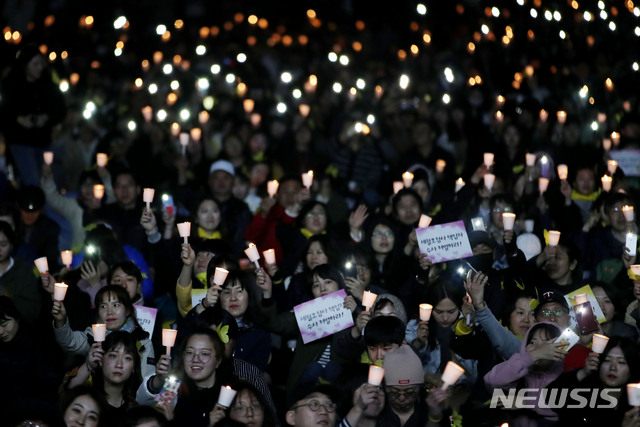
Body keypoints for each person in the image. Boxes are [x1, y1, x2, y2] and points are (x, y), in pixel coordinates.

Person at [52, 285, 155, 379]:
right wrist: (60, 321)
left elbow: (146, 383)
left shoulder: (143, 343)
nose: (109, 312)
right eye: (103, 306)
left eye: (115, 305)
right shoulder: (93, 336)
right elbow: (68, 341)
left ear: (128, 310)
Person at [0, 44, 66, 186]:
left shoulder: (47, 83)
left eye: (41, 63)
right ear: (25, 65)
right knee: (32, 181)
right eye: (35, 64)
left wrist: (46, 117)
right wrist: (19, 119)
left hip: (44, 141)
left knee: (48, 181)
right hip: (20, 141)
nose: (40, 67)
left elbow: (61, 108)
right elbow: (4, 111)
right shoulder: (11, 84)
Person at [484, 322, 566, 425]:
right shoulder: (518, 369)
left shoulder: (566, 375)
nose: (539, 347)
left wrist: (525, 402)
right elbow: (491, 381)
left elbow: (564, 406)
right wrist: (532, 356)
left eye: (546, 343)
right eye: (532, 342)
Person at [550, 336, 640, 425]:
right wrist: (584, 372)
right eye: (607, 360)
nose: (613, 367)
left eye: (621, 362)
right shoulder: (581, 392)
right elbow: (551, 398)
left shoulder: (635, 397)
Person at [63, 330, 142, 425]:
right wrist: (89, 365)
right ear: (101, 360)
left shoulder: (135, 409)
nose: (119, 364)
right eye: (113, 355)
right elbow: (68, 392)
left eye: (127, 358)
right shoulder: (87, 397)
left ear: (133, 367)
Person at [0, 220, 41, 323]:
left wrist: (8, 300)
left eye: (3, 244)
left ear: (11, 245)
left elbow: (32, 308)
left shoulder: (23, 269)